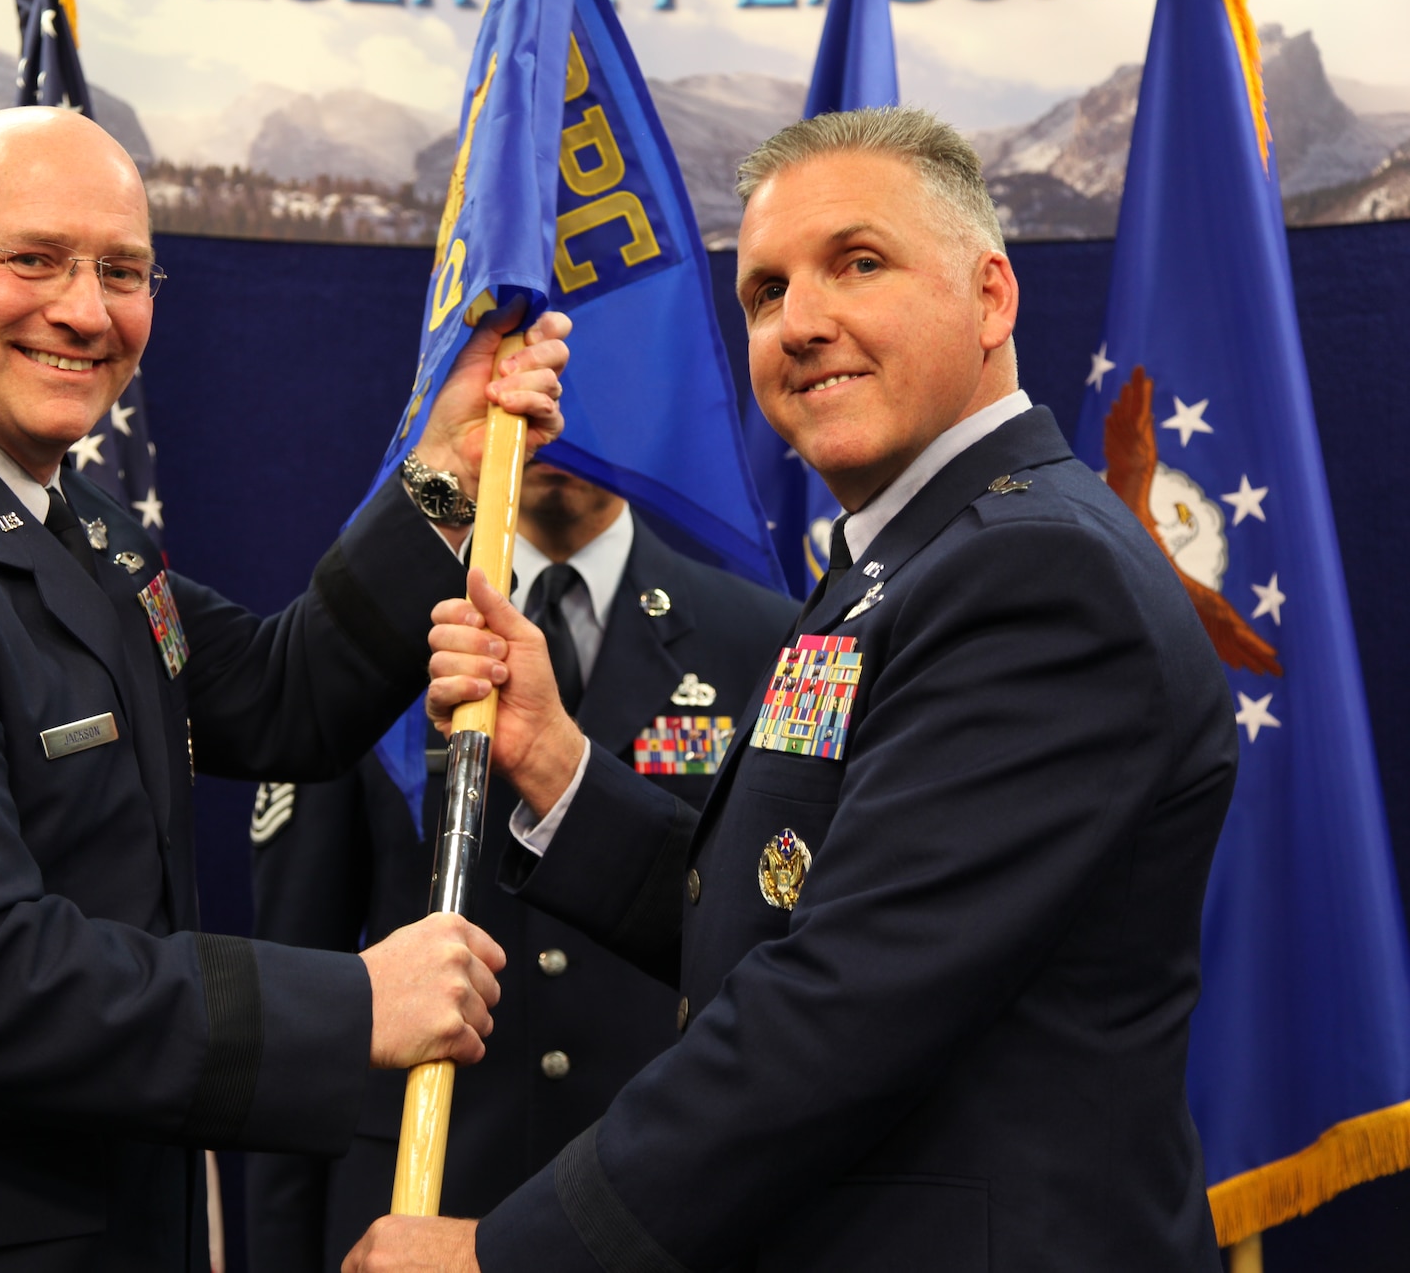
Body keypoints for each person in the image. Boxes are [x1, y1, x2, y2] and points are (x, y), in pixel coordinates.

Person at [0, 106, 575, 1273]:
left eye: (122, 271)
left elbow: (283, 695)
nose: (85, 310)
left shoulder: (71, 528)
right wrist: (351, 1006)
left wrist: (444, 469)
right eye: (33, 259)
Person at [347, 107, 1238, 1272]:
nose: (800, 323)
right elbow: (776, 906)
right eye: (763, 294)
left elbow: (842, 1001)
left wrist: (505, 1254)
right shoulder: (904, 559)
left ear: (990, 297)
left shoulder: (1033, 573)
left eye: (856, 264)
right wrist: (558, 763)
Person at [246, 464, 795, 1269]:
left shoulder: (758, 636)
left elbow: (771, 948)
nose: (562, 425)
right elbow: (298, 979)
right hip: (413, 1201)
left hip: (652, 1219)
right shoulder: (378, 634)